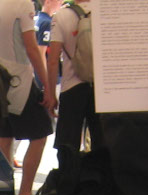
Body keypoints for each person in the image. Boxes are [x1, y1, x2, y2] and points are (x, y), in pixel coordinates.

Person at [0, 0, 53, 195]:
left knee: (5, 136)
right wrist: (47, 86)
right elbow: (31, 47)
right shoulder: (22, 4)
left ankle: (5, 193)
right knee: (40, 134)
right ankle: (25, 194)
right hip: (17, 78)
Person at [46, 0, 101, 162]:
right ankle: (99, 183)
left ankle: (68, 181)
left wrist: (50, 94)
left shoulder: (61, 16)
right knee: (102, 144)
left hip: (71, 87)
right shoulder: (103, 12)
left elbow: (53, 60)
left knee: (67, 145)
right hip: (100, 90)